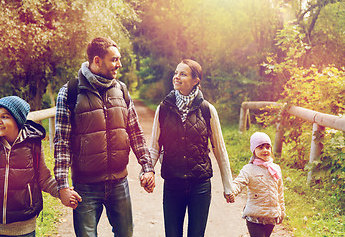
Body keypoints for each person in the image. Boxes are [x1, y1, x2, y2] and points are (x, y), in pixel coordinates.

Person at [54, 36, 155, 237]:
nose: (119, 64)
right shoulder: (70, 92)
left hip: (119, 183)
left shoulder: (122, 91)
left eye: (119, 59)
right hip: (85, 187)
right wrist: (63, 186)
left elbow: (135, 133)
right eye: (114, 59)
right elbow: (61, 143)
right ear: (97, 61)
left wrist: (147, 167)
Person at [145, 59, 234, 237]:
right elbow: (154, 147)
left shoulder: (208, 110)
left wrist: (228, 186)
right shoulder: (163, 109)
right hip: (173, 184)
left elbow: (219, 150)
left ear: (196, 80)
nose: (176, 77)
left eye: (183, 74)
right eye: (176, 73)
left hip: (199, 185)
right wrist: (148, 171)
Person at [0, 96, 78, 237]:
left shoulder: (33, 146)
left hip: (24, 227)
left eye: (4, 117)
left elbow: (45, 179)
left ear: (18, 120)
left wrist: (62, 192)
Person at [232, 132, 285, 237]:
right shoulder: (249, 169)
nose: (265, 150)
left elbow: (280, 192)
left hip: (271, 216)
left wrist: (282, 211)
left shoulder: (275, 168)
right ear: (254, 151)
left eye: (267, 147)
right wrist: (232, 191)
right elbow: (239, 182)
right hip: (254, 217)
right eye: (260, 147)